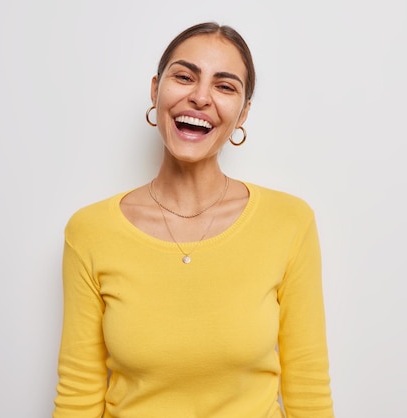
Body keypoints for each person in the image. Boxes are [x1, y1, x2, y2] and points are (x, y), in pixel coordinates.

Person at [53, 21, 335, 418]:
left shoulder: (289, 222)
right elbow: (78, 393)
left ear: (243, 113)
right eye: (184, 76)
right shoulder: (90, 232)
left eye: (224, 86)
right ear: (156, 90)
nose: (200, 97)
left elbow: (308, 389)